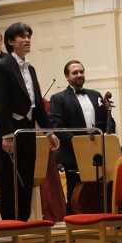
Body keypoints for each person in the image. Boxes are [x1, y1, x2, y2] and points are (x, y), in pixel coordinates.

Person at [0, 22, 59, 221]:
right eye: (22, 36)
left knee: (26, 180)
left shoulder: (31, 69)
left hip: (28, 131)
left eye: (29, 36)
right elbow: (0, 103)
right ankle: (11, 227)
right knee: (10, 182)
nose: (27, 40)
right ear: (11, 42)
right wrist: (7, 135)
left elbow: (36, 103)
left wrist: (48, 132)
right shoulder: (1, 67)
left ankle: (24, 224)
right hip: (11, 132)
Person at [49, 60, 115, 214]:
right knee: (74, 190)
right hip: (72, 152)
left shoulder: (96, 95)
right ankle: (74, 226)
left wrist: (108, 125)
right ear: (67, 76)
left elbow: (108, 122)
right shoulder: (58, 98)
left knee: (98, 189)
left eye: (81, 71)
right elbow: (58, 127)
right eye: (75, 72)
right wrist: (79, 145)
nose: (79, 75)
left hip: (97, 152)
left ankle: (101, 217)